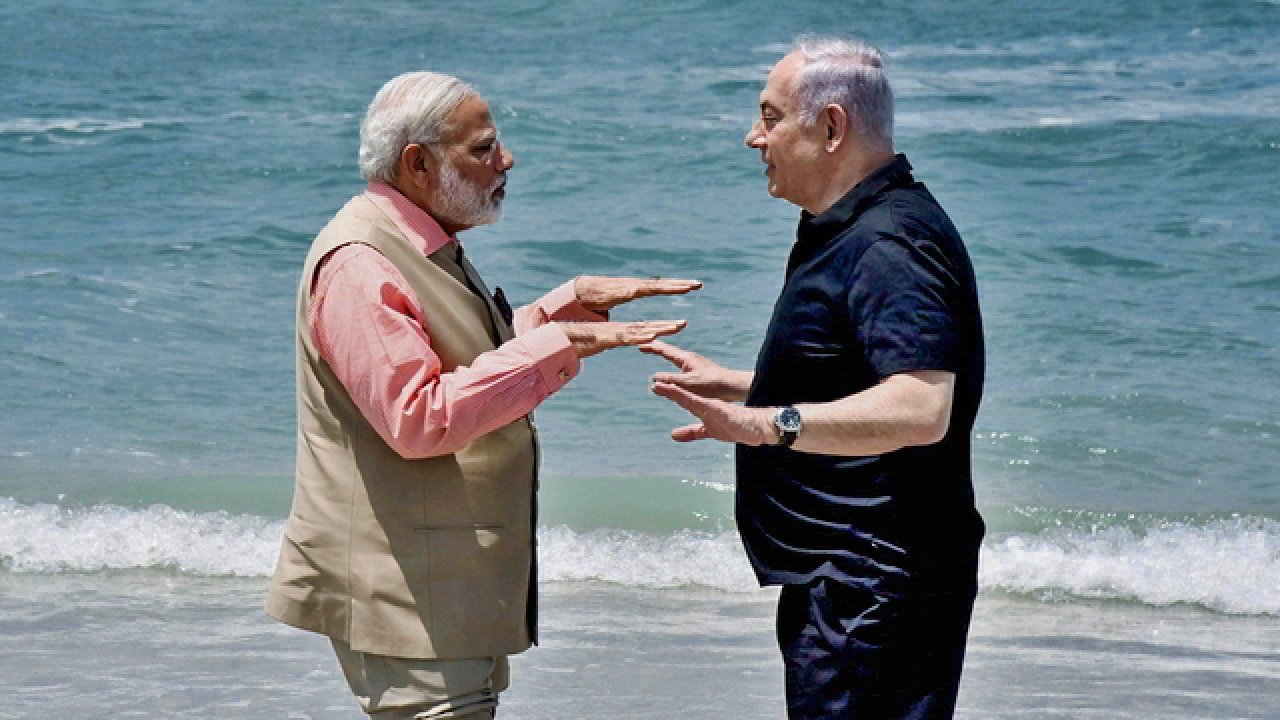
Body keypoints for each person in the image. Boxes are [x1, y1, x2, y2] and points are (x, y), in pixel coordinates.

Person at [266, 70, 698, 720]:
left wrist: (562, 313)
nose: (507, 159)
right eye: (484, 148)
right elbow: (418, 416)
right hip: (404, 593)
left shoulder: (421, 240)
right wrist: (558, 350)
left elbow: (457, 360)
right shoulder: (360, 263)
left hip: (440, 585)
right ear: (417, 163)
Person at [644, 35, 985, 720]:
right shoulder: (856, 225)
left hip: (875, 589)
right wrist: (750, 385)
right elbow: (865, 373)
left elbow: (921, 406)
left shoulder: (889, 241)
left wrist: (768, 423)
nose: (752, 137)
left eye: (770, 118)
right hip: (856, 582)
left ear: (832, 127)